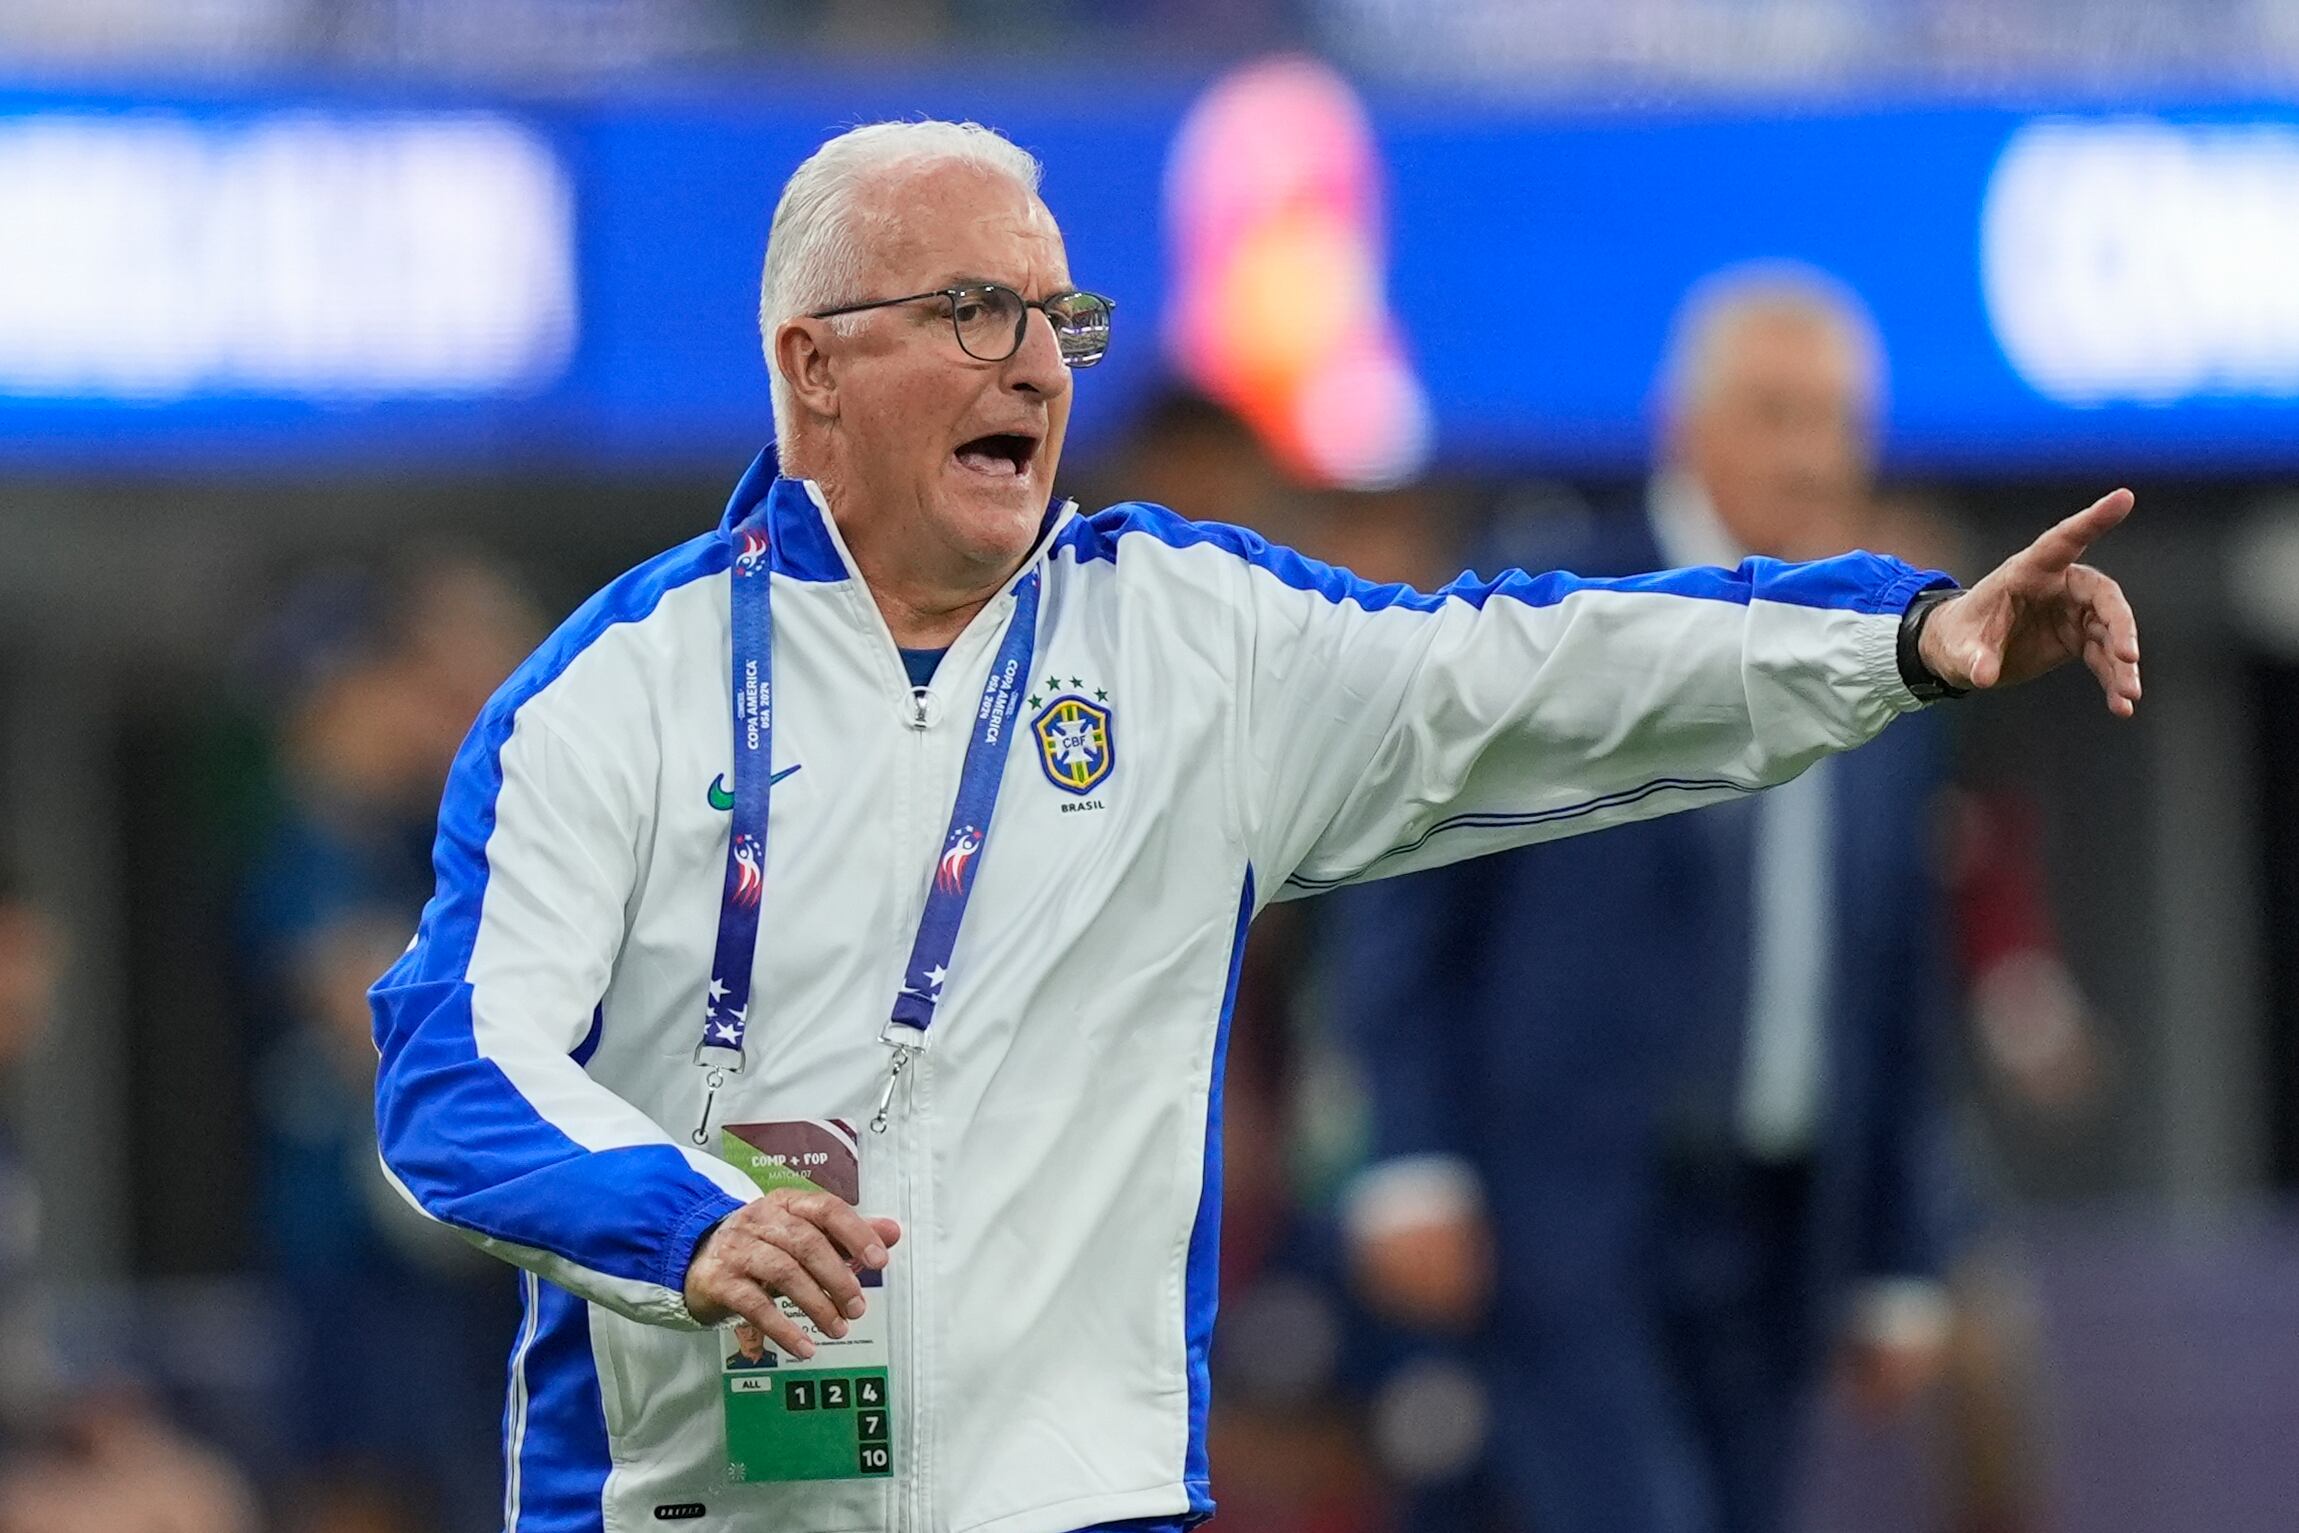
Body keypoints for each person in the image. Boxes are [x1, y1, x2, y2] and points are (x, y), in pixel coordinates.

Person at [368, 122, 2140, 1533]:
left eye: (1058, 321)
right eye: (974, 310)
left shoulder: (1185, 637)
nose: (1035, 364)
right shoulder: (610, 691)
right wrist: (676, 1218)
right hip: (690, 1505)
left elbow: (1521, 669)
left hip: (1082, 1501)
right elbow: (453, 1067)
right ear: (812, 367)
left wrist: (1897, 635)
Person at [1326, 265, 1981, 1533]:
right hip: (1566, 1212)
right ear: (1686, 429)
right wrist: (1405, 1150)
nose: (1811, 454)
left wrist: (1903, 1249)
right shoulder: (1562, 604)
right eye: (1775, 413)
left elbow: (1899, 980)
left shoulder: (1893, 653)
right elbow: (1408, 880)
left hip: (1783, 1223)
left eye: (1837, 419)